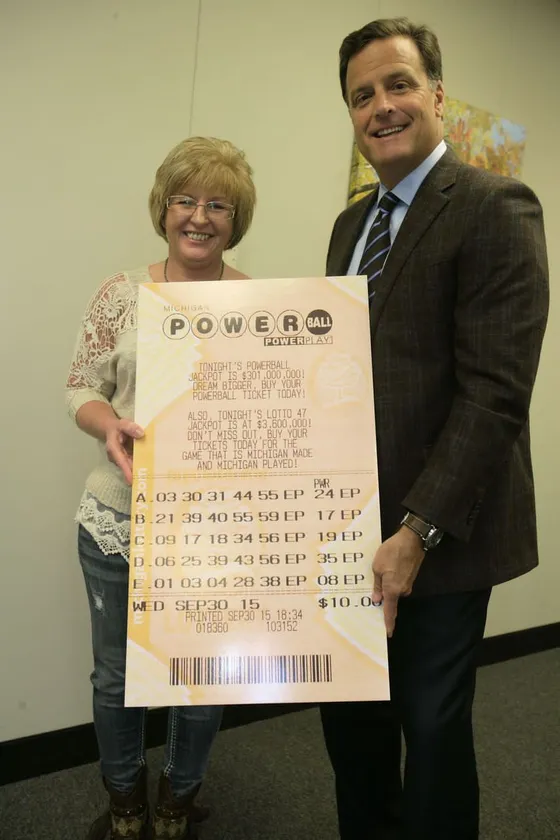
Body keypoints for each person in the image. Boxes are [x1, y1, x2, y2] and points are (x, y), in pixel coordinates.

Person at [320, 17, 549, 840]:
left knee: (432, 728)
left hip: (442, 531)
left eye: (399, 84)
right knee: (352, 723)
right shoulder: (350, 227)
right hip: (346, 528)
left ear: (438, 95)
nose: (381, 106)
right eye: (362, 95)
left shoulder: (496, 206)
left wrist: (416, 531)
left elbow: (495, 394)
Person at [66, 136, 256, 840]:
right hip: (119, 519)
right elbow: (80, 386)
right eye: (185, 200)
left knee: (202, 673)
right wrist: (108, 423)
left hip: (215, 528)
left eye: (218, 205)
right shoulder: (120, 294)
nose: (199, 217)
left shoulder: (262, 303)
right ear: (163, 208)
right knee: (116, 676)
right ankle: (125, 803)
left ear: (235, 220)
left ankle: (177, 802)